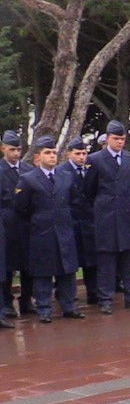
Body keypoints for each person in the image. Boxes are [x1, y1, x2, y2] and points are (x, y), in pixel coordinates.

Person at [13, 136, 85, 323]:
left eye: (54, 152)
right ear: (38, 157)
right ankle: (44, 308)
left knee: (67, 270)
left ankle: (68, 305)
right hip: (42, 232)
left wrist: (69, 221)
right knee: (43, 272)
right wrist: (38, 221)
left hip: (64, 230)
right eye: (48, 153)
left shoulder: (66, 177)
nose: (52, 156)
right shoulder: (28, 179)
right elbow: (21, 208)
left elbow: (75, 201)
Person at [83, 119, 130, 313]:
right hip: (105, 217)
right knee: (106, 261)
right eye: (116, 138)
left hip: (127, 216)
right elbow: (88, 190)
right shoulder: (95, 159)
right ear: (107, 138)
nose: (119, 142)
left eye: (122, 139)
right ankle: (105, 299)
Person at [56, 137, 100, 304]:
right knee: (69, 260)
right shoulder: (62, 171)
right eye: (78, 153)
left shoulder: (91, 169)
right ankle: (65, 294)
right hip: (71, 221)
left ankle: (93, 293)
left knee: (91, 259)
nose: (82, 157)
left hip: (89, 221)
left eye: (84, 153)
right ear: (69, 154)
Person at [2, 129, 35, 317]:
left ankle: (26, 300)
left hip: (26, 225)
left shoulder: (28, 170)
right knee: (7, 267)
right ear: (3, 149)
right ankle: (7, 302)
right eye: (12, 150)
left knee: (28, 265)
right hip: (7, 227)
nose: (16, 154)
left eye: (18, 150)